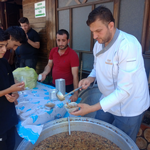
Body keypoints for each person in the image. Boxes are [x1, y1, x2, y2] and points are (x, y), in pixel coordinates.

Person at [71, 6, 150, 142]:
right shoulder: (98, 44)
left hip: (129, 106)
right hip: (107, 100)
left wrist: (90, 108)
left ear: (111, 25)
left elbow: (124, 91)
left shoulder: (127, 45)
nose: (95, 36)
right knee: (99, 135)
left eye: (98, 31)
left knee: (122, 142)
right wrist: (90, 78)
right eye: (92, 32)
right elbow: (97, 66)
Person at [0, 28, 25, 150]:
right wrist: (8, 90)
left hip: (8, 116)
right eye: (0, 46)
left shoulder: (4, 62)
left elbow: (10, 82)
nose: (4, 50)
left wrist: (15, 93)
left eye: (5, 46)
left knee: (11, 145)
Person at [40, 29, 79, 102]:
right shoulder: (53, 51)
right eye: (58, 40)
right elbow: (49, 65)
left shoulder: (73, 54)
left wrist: (75, 93)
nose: (60, 43)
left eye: (63, 40)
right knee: (53, 104)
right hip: (54, 85)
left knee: (64, 106)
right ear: (56, 40)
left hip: (67, 87)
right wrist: (45, 73)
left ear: (68, 41)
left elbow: (75, 75)